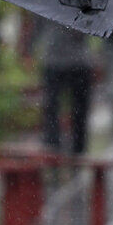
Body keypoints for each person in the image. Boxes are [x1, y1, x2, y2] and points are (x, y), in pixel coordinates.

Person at [38, 23, 94, 154]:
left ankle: (76, 146)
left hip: (76, 62)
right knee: (52, 104)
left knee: (77, 108)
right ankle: (54, 143)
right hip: (58, 61)